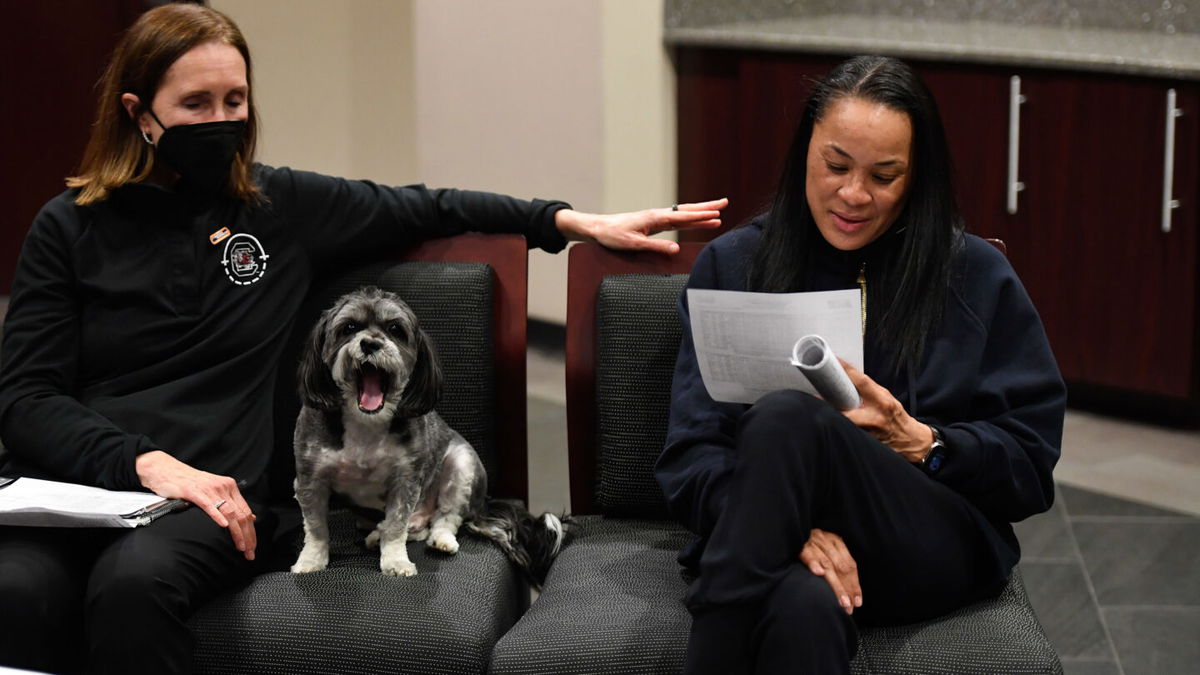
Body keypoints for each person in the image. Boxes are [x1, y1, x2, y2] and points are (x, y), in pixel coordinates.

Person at [0, 4, 725, 674]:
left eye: (235, 100)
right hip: (82, 487)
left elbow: (427, 206)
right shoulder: (68, 227)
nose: (222, 120)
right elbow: (25, 398)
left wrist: (568, 223)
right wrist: (143, 461)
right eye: (196, 105)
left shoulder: (279, 208)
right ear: (138, 113)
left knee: (131, 586)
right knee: (18, 588)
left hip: (216, 499)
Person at [656, 55, 1065, 673]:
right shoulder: (735, 267)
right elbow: (690, 455)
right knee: (800, 605)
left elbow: (1030, 468)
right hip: (777, 543)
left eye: (885, 175)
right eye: (836, 166)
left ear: (917, 178)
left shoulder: (976, 276)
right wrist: (785, 533)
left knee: (789, 416)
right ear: (805, 155)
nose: (853, 195)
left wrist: (921, 442)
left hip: (929, 539)